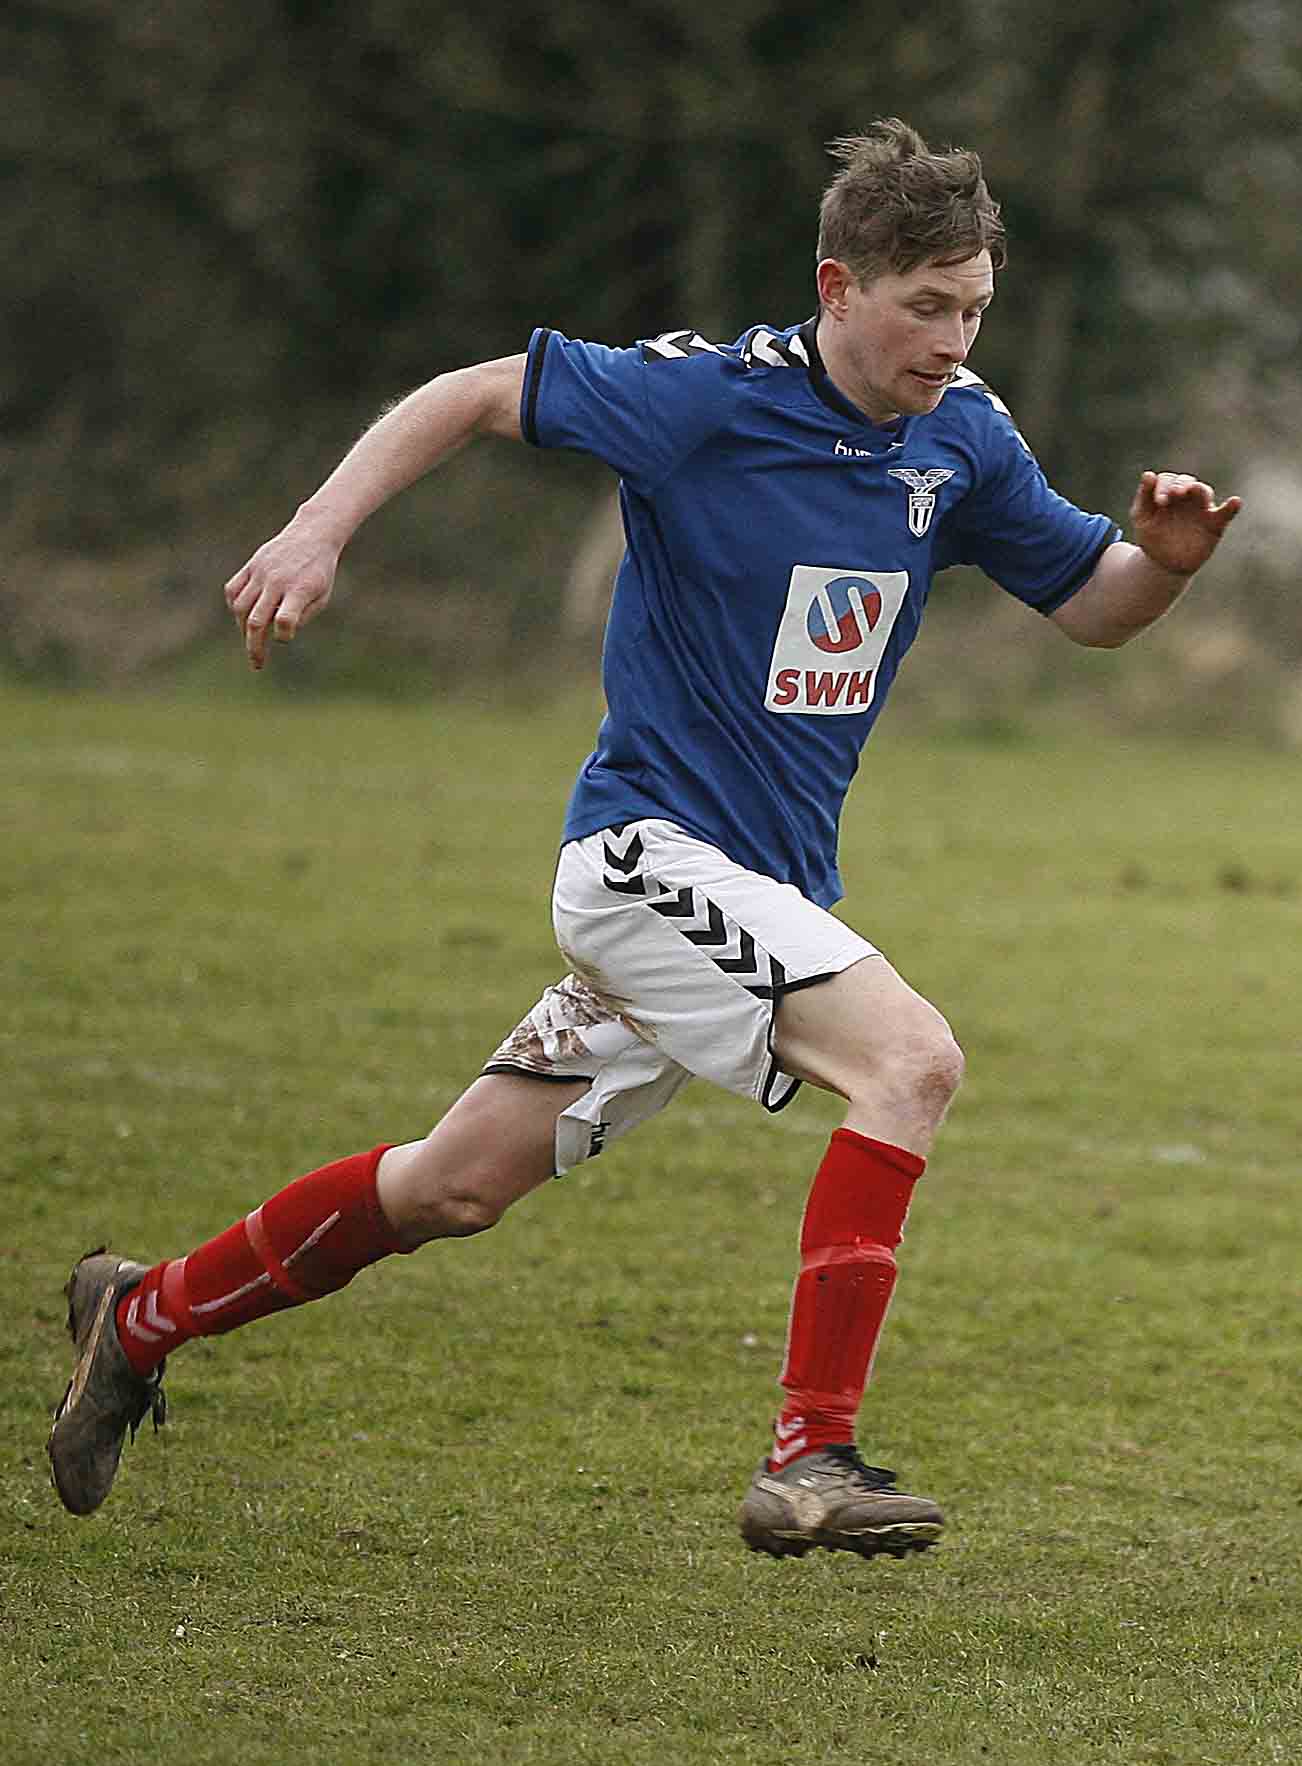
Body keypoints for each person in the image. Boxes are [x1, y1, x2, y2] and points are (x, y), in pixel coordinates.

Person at [47, 119, 1240, 1558]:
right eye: (926, 306)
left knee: (452, 1184)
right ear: (838, 286)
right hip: (646, 859)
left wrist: (1164, 565)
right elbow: (473, 393)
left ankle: (144, 1311)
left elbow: (1092, 601)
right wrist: (318, 529)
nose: (951, 335)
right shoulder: (707, 400)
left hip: (750, 890)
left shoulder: (963, 437)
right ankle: (812, 1455)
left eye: (972, 305)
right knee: (910, 1058)